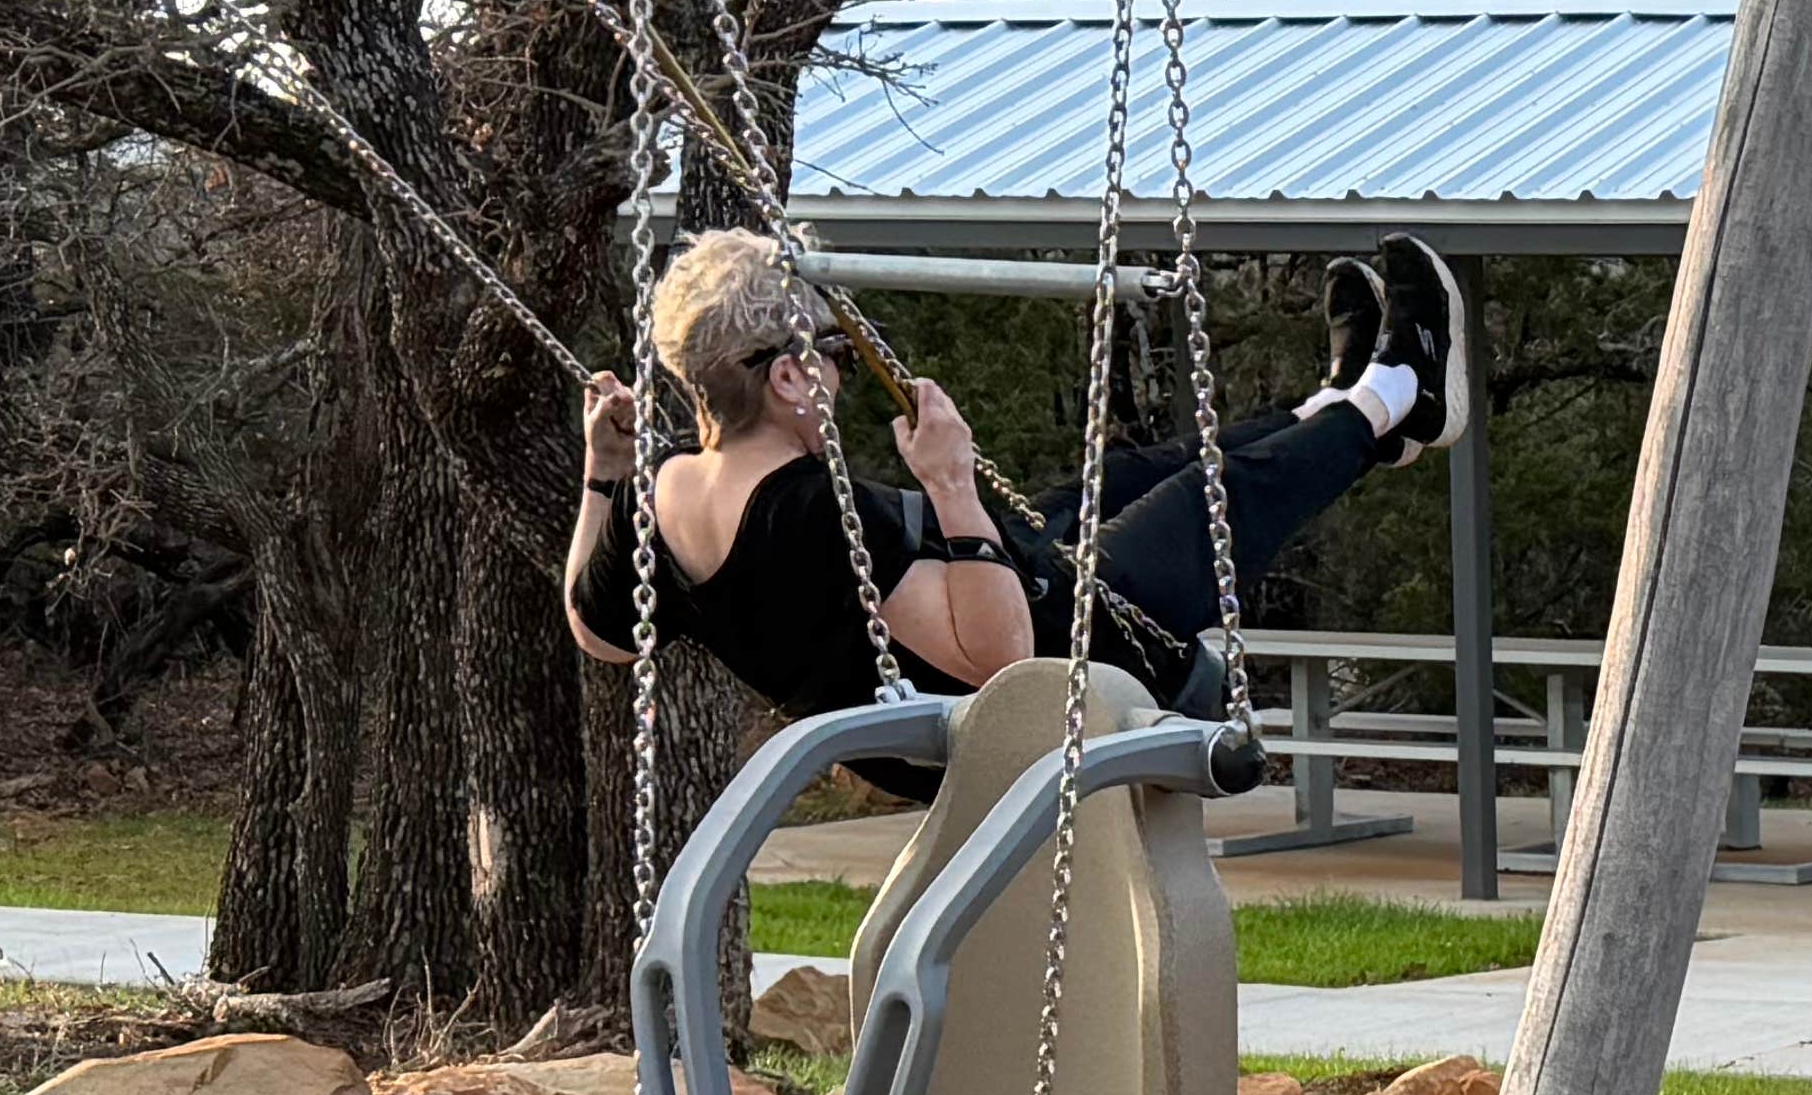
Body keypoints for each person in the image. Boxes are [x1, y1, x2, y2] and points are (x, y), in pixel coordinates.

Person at [568, 229, 1458, 730]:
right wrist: (951, 485)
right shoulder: (811, 512)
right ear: (791, 378)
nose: (844, 370)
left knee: (1123, 476)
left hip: (996, 608)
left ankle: (1339, 407)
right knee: (1207, 501)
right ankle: (1402, 385)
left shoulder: (660, 494)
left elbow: (599, 630)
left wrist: (603, 473)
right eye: (835, 351)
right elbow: (1003, 662)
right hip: (1073, 658)